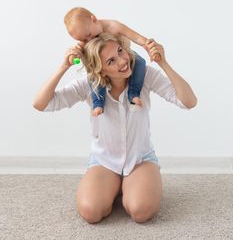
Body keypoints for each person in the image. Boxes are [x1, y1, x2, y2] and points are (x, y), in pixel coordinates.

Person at [33, 34, 197, 224]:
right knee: (91, 212)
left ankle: (129, 185)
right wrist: (64, 66)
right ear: (101, 71)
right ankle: (117, 185)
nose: (122, 61)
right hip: (104, 161)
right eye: (111, 61)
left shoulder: (145, 76)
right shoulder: (89, 85)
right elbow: (41, 104)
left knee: (141, 211)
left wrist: (164, 64)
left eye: (120, 51)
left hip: (140, 160)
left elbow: (189, 101)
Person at [63, 6, 160, 117]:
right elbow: (77, 52)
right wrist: (73, 57)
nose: (89, 41)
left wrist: (150, 47)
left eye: (89, 35)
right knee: (93, 74)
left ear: (93, 19)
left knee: (140, 62)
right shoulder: (86, 37)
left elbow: (136, 38)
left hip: (125, 54)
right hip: (104, 64)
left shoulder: (113, 26)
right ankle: (98, 103)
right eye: (83, 40)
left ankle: (134, 93)